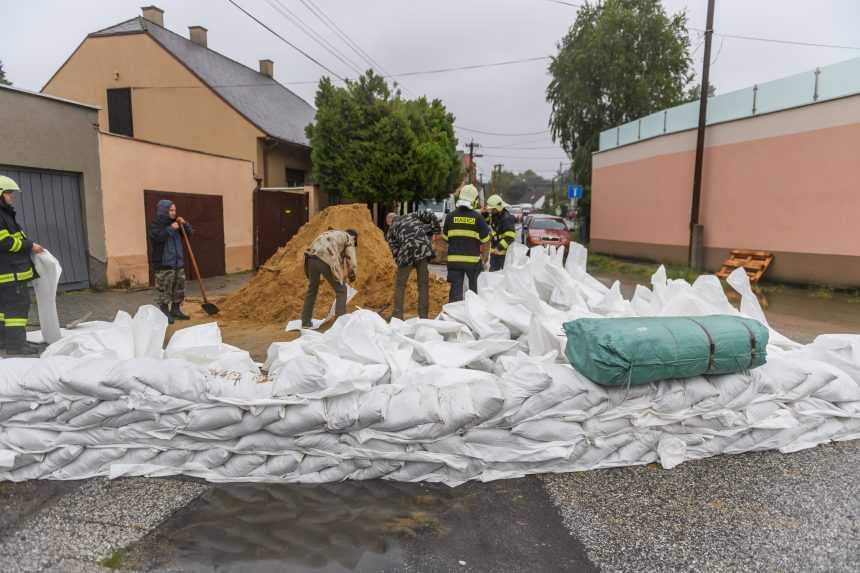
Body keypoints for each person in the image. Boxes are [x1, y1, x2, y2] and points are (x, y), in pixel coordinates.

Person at [0, 176, 45, 355]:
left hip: (7, 272)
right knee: (16, 308)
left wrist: (29, 243)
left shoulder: (6, 214)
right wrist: (30, 246)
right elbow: (4, 242)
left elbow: (16, 237)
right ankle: (16, 346)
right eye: (9, 193)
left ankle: (3, 341)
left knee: (3, 309)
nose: (12, 197)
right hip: (11, 273)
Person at [385, 209, 441, 320]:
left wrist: (401, 264)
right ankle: (423, 316)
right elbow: (430, 214)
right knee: (423, 285)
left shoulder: (391, 230)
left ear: (390, 221)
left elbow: (394, 250)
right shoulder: (412, 215)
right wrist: (435, 229)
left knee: (400, 285)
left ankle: (397, 315)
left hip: (406, 254)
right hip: (422, 250)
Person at [442, 184, 490, 303]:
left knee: (455, 294)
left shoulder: (450, 217)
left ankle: (455, 316)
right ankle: (475, 314)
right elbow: (486, 241)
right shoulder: (478, 218)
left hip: (454, 262)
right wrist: (484, 258)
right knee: (475, 292)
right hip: (473, 262)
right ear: (474, 200)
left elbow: (445, 238)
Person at [301, 228, 358, 328]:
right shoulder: (349, 239)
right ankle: (340, 324)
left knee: (312, 290)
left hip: (310, 258)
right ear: (354, 237)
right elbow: (351, 261)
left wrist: (340, 274)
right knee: (342, 290)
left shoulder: (332, 234)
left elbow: (337, 259)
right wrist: (352, 275)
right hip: (325, 258)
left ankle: (305, 322)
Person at [148, 200, 192, 325]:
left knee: (178, 288)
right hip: (164, 264)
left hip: (178, 263)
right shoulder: (156, 224)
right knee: (165, 289)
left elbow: (189, 233)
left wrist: (185, 224)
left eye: (174, 210)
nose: (174, 212)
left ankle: (176, 309)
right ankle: (164, 312)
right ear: (164, 211)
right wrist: (170, 229)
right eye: (171, 210)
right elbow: (157, 238)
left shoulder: (177, 224)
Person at [486, 194, 517, 271]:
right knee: (493, 277)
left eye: (493, 209)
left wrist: (499, 248)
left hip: (503, 256)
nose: (491, 211)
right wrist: (484, 214)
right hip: (495, 254)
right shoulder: (496, 215)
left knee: (502, 277)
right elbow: (488, 222)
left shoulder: (507, 218)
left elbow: (510, 237)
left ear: (498, 207)